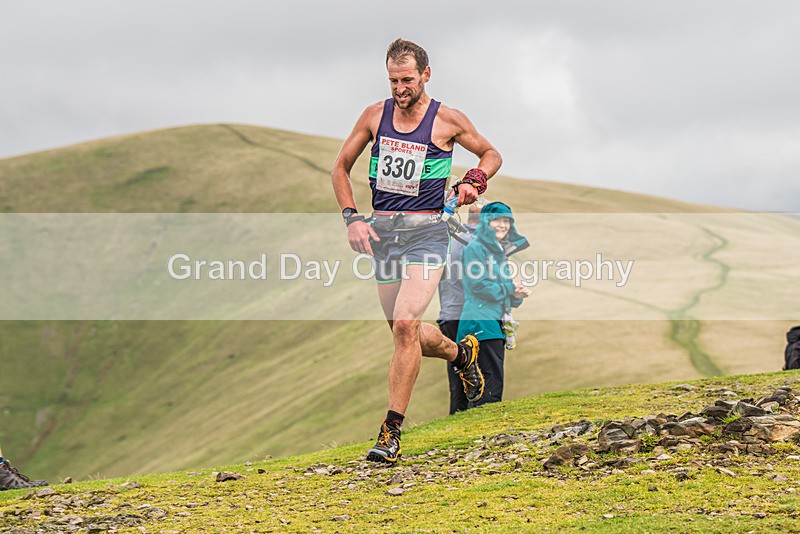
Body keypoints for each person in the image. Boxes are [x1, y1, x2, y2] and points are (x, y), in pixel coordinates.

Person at [331, 38, 502, 464]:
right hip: (385, 235)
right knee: (401, 331)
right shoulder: (375, 115)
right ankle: (462, 354)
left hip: (429, 234)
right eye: (393, 80)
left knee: (406, 325)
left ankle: (390, 433)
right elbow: (339, 167)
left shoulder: (447, 119)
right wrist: (352, 218)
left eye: (407, 79)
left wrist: (473, 181)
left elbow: (491, 152)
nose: (399, 88)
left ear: (426, 75)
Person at [457, 202, 531, 407]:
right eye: (497, 219)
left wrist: (517, 295)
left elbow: (499, 289)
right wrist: (510, 288)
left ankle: (479, 434)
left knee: (492, 385)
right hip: (479, 323)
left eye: (507, 220)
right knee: (487, 388)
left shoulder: (497, 253)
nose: (503, 225)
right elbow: (478, 285)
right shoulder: (476, 248)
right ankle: (480, 436)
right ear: (485, 222)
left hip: (492, 323)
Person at [438, 200, 485, 414]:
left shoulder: (446, 241)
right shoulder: (476, 243)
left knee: (456, 370)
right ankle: (472, 416)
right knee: (477, 371)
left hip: (447, 313)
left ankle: (456, 415)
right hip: (468, 314)